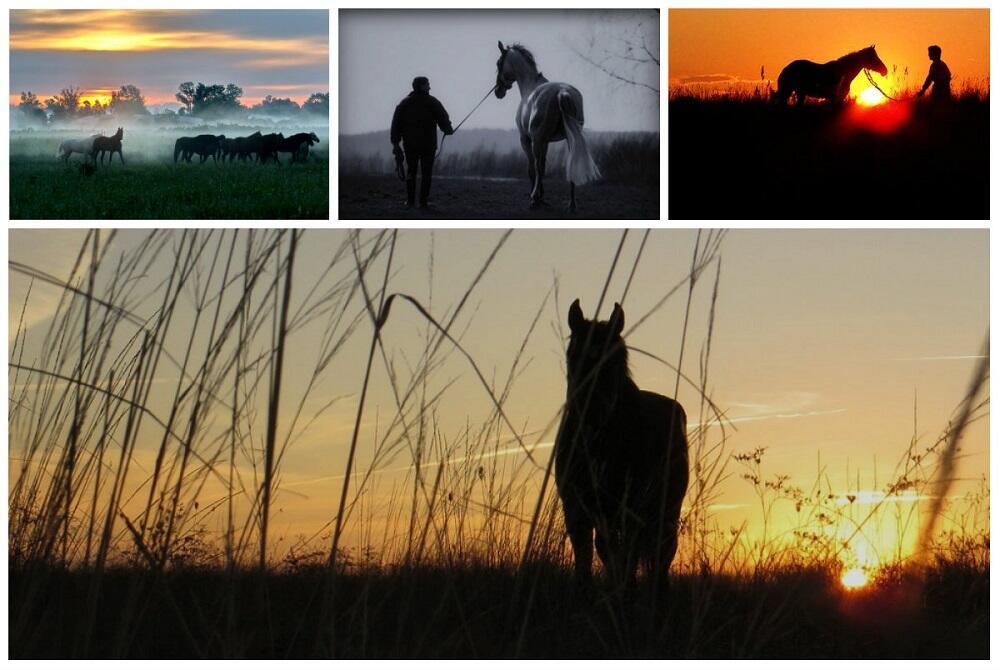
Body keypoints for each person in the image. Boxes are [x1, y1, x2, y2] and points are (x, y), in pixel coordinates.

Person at [390, 76, 454, 208]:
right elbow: (443, 118)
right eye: (428, 85)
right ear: (422, 86)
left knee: (411, 172)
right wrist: (448, 129)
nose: (430, 87)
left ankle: (410, 201)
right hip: (428, 145)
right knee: (427, 174)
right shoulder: (432, 102)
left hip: (410, 145)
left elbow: (395, 125)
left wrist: (396, 143)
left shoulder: (404, 103)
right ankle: (423, 202)